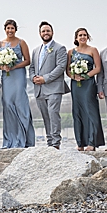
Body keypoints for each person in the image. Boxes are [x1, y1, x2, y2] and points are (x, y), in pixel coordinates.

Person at [0, 19, 35, 149]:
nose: (10, 30)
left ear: (15, 29)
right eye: (8, 28)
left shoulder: (21, 42)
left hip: (18, 76)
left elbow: (27, 60)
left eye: (12, 28)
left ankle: (23, 139)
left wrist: (14, 65)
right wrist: (3, 67)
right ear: (5, 29)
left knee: (19, 103)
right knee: (7, 103)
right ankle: (9, 140)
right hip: (6, 77)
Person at [28, 21, 68, 149]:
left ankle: (56, 142)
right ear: (40, 33)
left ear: (52, 32)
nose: (46, 33)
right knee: (45, 116)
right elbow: (32, 67)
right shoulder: (35, 50)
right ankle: (49, 142)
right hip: (39, 88)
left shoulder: (60, 48)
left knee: (53, 113)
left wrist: (45, 78)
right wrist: (33, 77)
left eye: (48, 31)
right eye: (43, 31)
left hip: (54, 87)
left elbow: (61, 67)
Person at [67, 28, 105, 151]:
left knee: (90, 111)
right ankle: (80, 143)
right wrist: (74, 76)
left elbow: (98, 68)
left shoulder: (93, 50)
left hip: (88, 84)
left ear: (87, 37)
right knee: (77, 112)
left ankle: (92, 142)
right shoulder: (71, 52)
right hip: (75, 84)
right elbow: (67, 70)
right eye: (80, 35)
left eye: (84, 35)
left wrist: (86, 76)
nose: (82, 37)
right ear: (76, 38)